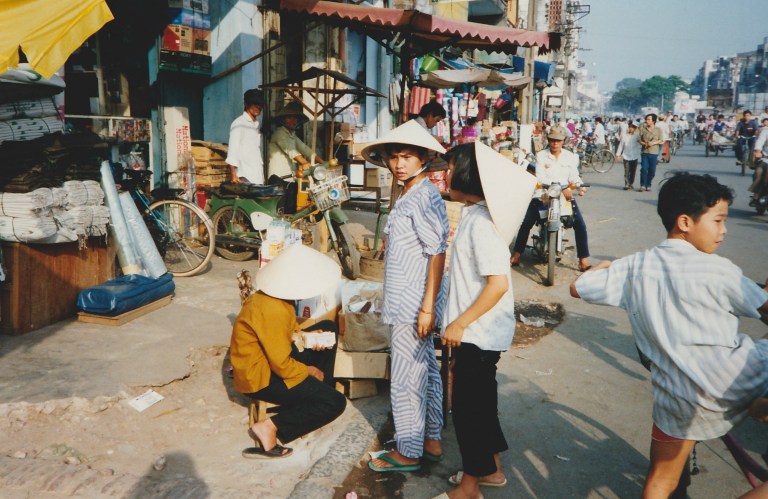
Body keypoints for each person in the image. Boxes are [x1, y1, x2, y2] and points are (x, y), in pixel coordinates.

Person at [570, 172, 768, 499]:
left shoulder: (634, 267)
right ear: (685, 222)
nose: (724, 230)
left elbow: (577, 288)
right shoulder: (720, 270)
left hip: (675, 397)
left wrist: (602, 267)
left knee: (661, 479)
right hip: (734, 382)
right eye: (718, 221)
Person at [437, 142, 537, 499]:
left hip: (478, 332)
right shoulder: (473, 214)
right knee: (481, 404)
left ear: (467, 175)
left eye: (451, 168)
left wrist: (460, 323)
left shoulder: (482, 224)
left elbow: (497, 284)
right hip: (480, 331)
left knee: (468, 412)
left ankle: (468, 488)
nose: (446, 175)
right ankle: (491, 471)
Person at [361, 120, 449, 473]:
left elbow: (438, 251)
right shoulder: (410, 194)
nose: (399, 163)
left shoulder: (424, 195)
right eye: (395, 157)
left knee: (407, 376)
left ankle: (408, 451)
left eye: (407, 156)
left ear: (424, 158)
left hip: (414, 304)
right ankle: (431, 439)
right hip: (409, 300)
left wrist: (427, 307)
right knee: (425, 370)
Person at [230, 244, 347, 459]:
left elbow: (282, 336)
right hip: (261, 378)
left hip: (270, 360)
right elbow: (281, 362)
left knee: (328, 330)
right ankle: (271, 426)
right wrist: (307, 370)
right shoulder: (272, 309)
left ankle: (316, 395)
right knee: (336, 403)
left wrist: (305, 337)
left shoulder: (272, 297)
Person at [511, 127, 592, 271]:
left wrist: (580, 186)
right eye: (552, 140)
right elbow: (541, 177)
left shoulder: (570, 156)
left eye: (558, 141)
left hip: (564, 198)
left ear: (563, 141)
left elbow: (574, 175)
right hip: (543, 195)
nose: (555, 143)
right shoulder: (541, 155)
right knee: (526, 222)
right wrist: (562, 187)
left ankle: (583, 259)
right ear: (549, 141)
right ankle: (517, 254)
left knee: (580, 224)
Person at [267, 102, 322, 213]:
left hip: (290, 178)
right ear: (283, 119)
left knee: (291, 211)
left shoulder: (292, 135)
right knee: (280, 211)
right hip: (278, 178)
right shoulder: (280, 134)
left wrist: (323, 162)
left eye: (295, 118)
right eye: (289, 117)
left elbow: (306, 149)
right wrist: (304, 162)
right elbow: (292, 152)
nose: (292, 121)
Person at [226, 89, 265, 184]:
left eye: (260, 104)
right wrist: (233, 175)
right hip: (244, 177)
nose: (258, 107)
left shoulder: (256, 125)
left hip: (257, 175)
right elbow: (232, 151)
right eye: (254, 104)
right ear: (246, 104)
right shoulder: (239, 123)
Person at [637, 113, 664, 192]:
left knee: (652, 170)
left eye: (649, 119)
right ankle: (642, 185)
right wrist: (644, 143)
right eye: (646, 119)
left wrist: (653, 143)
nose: (647, 121)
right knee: (644, 169)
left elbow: (661, 140)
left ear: (654, 121)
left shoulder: (658, 130)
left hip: (654, 153)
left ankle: (648, 184)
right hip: (645, 152)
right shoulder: (643, 129)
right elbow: (639, 139)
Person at [616, 120, 641, 190]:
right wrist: (618, 155)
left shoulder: (637, 136)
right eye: (630, 127)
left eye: (633, 128)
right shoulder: (624, 136)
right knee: (626, 171)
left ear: (635, 129)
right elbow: (621, 146)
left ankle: (631, 183)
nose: (631, 129)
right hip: (626, 156)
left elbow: (640, 145)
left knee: (633, 171)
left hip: (634, 156)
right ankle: (626, 184)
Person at [750, 118, 768, 206]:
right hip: (765, 159)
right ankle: (756, 195)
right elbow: (760, 141)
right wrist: (757, 151)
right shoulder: (766, 131)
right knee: (758, 172)